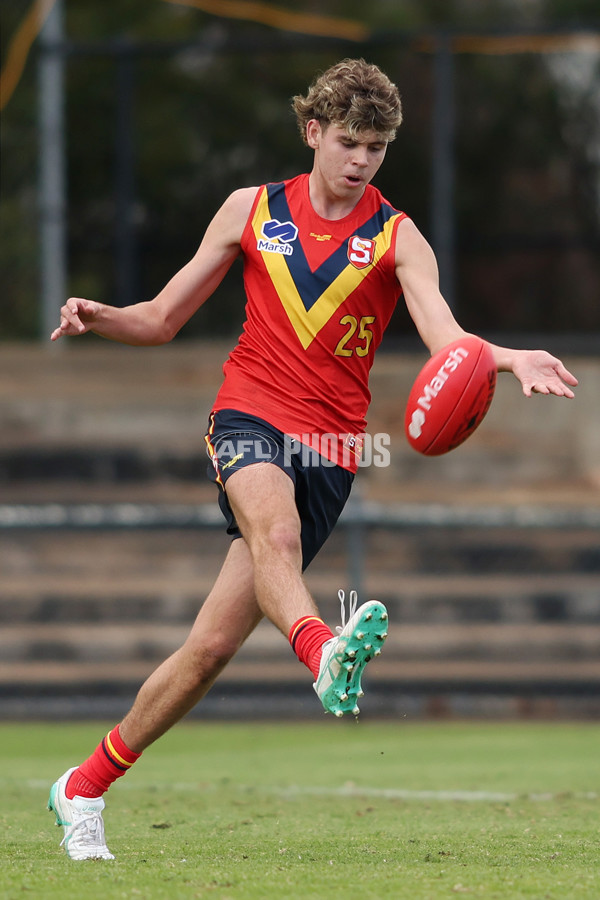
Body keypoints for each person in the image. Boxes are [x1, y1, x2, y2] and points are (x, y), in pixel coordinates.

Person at [46, 58, 577, 861]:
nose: (363, 160)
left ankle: (80, 787)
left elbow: (446, 339)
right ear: (313, 132)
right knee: (278, 538)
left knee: (209, 652)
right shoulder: (251, 210)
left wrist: (507, 359)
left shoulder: (398, 238)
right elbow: (159, 319)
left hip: (334, 448)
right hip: (249, 413)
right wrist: (100, 316)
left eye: (378, 147)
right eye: (351, 142)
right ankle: (323, 651)